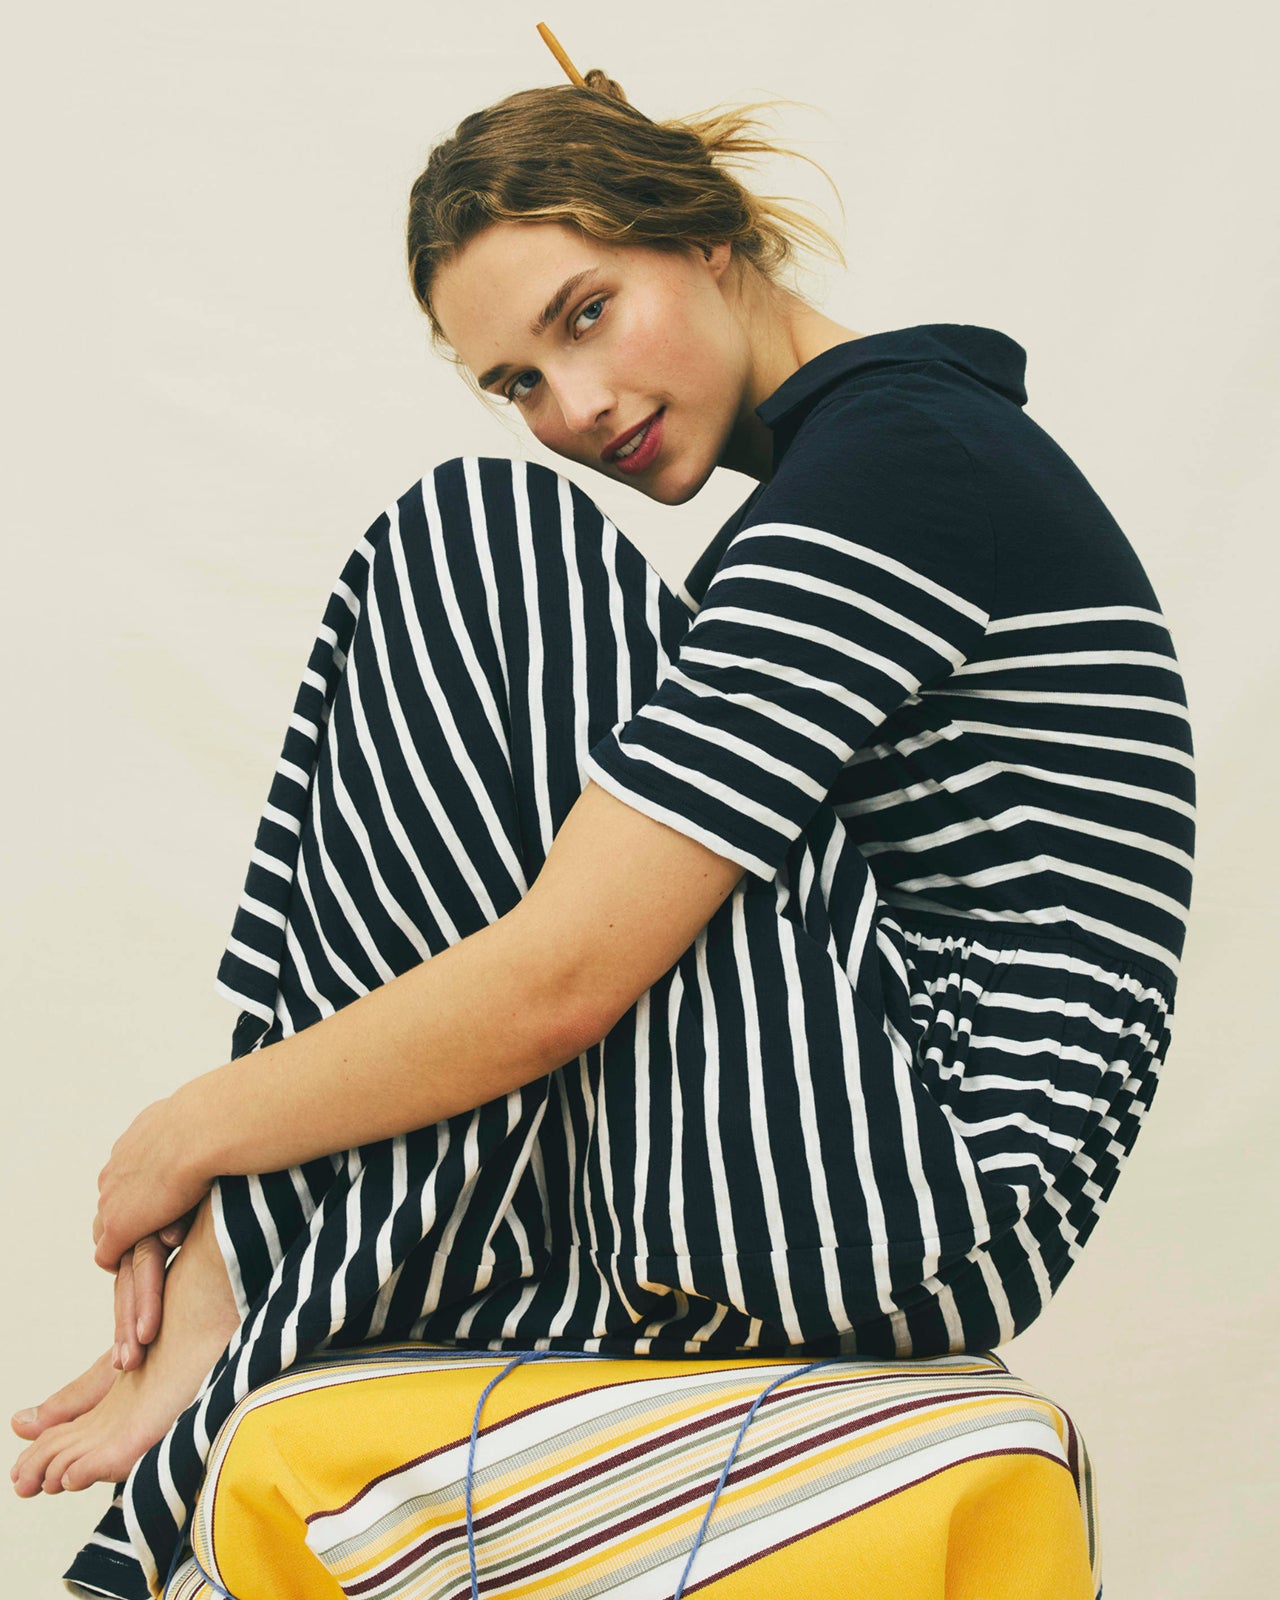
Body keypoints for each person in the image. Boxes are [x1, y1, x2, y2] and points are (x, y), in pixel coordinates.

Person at [11, 62, 1194, 1600]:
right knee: (482, 608)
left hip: (921, 1195)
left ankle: (258, 1286)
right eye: (516, 381)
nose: (570, 410)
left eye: (586, 315)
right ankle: (288, 1280)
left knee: (478, 543)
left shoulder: (900, 468)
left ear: (708, 236)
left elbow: (566, 973)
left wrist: (197, 1130)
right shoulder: (870, 474)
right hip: (867, 1174)